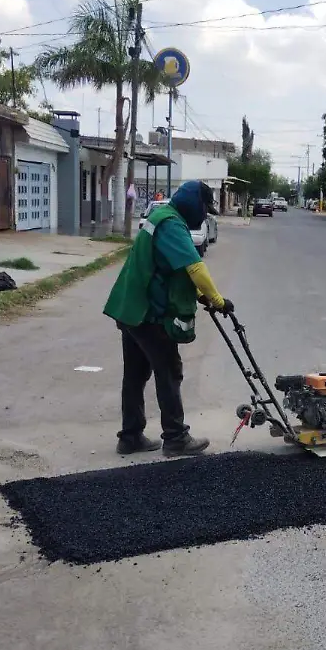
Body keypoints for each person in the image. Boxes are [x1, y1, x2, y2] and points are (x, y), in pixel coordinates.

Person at [103, 180, 232, 457]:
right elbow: (194, 267)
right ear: (194, 204)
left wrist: (200, 296)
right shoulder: (172, 224)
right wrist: (217, 300)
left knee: (136, 375)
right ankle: (175, 438)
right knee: (169, 370)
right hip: (147, 313)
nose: (205, 213)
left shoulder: (160, 216)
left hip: (130, 308)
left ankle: (130, 436)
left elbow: (170, 270)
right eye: (204, 207)